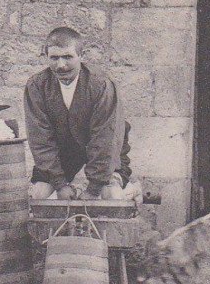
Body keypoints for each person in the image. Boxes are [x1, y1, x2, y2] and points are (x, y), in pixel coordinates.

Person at [24, 26, 132, 201]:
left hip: (105, 152)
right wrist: (60, 184)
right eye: (54, 58)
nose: (61, 65)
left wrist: (94, 189)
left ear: (81, 55)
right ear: (46, 56)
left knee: (111, 195)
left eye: (68, 57)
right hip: (63, 153)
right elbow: (40, 140)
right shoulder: (37, 86)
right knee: (38, 194)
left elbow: (106, 140)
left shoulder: (101, 86)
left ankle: (130, 191)